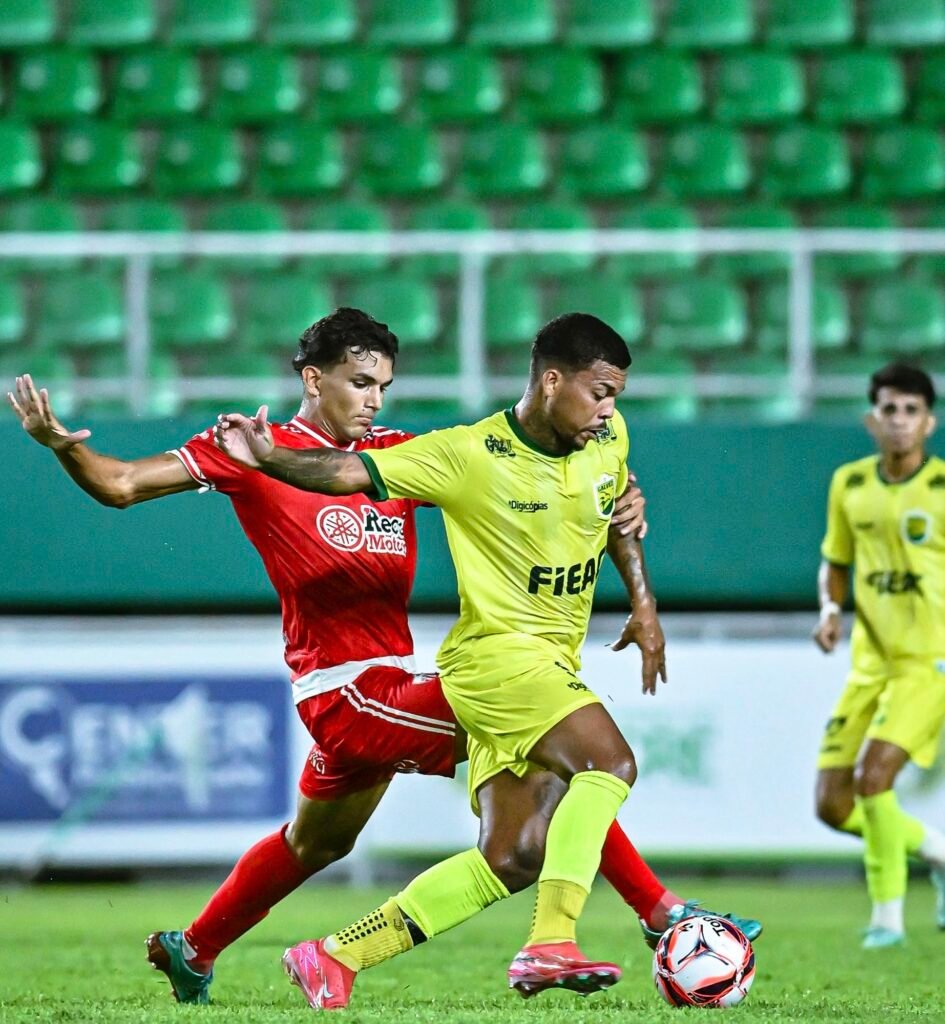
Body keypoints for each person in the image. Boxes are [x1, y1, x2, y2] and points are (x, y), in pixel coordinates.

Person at [7, 308, 758, 1004]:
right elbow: (121, 484)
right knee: (554, 747)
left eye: (384, 386)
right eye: (359, 383)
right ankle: (661, 913)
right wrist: (62, 447)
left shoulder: (396, 454)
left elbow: (522, 481)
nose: (373, 400)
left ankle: (192, 948)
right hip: (340, 689)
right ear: (313, 379)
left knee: (317, 840)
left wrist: (623, 498)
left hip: (393, 683)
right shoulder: (250, 451)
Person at [813, 362, 945, 950]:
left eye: (911, 411)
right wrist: (829, 609)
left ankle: (887, 919)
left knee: (874, 777)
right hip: (869, 663)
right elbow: (835, 562)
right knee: (833, 804)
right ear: (873, 419)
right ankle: (938, 851)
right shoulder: (850, 483)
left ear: (929, 422)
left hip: (930, 663)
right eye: (889, 409)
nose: (899, 421)